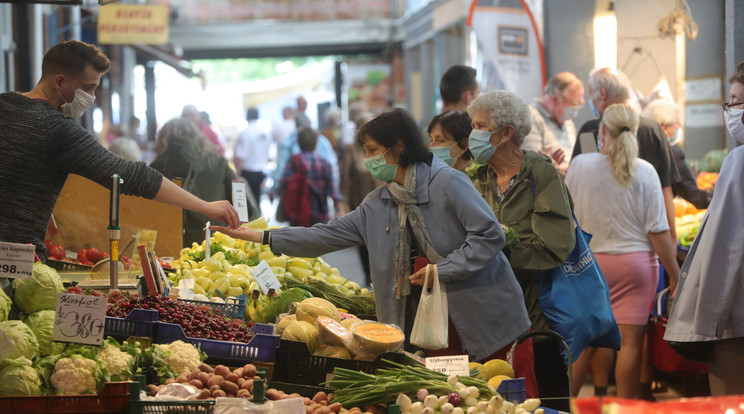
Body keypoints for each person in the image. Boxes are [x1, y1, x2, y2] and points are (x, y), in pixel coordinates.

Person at [213, 108, 537, 395]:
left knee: (499, 396)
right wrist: (258, 235)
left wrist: (444, 269)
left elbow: (489, 235)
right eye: (366, 151)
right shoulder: (379, 202)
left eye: (373, 150)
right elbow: (325, 235)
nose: (368, 159)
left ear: (399, 148)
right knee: (449, 398)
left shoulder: (448, 183)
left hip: (481, 312)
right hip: (428, 322)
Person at [0, 40, 239, 263]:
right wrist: (204, 206)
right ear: (60, 82)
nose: (92, 97)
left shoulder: (4, 103)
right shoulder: (57, 130)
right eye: (88, 88)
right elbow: (131, 176)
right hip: (17, 261)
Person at [467, 90, 575, 411]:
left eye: (480, 125)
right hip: (491, 318)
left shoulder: (539, 173)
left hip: (535, 319)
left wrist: (499, 248)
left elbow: (554, 247)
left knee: (545, 399)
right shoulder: (480, 177)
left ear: (506, 133)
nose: (472, 134)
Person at [565, 104, 680, 399]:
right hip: (636, 267)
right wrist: (676, 275)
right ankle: (627, 408)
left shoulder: (579, 165)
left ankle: (562, 406)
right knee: (630, 343)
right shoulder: (646, 171)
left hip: (590, 265)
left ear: (602, 131)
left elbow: (568, 216)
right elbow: (658, 231)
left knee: (586, 344)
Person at [664, 61, 744, 396]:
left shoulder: (738, 162)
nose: (731, 110)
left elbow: (725, 249)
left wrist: (704, 319)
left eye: (737, 101)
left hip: (736, 317)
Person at [571, 67, 680, 241]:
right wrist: (672, 239)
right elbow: (665, 190)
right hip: (644, 245)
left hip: (598, 243)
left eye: (592, 95)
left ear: (603, 93)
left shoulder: (588, 131)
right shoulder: (653, 130)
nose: (591, 100)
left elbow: (581, 188)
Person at [151, 118, 258, 247]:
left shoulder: (157, 168)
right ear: (197, 137)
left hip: (173, 243)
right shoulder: (218, 162)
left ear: (163, 140)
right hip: (220, 239)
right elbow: (242, 203)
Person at [642, 99, 712, 209]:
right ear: (664, 127)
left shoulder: (637, 150)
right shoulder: (672, 155)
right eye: (677, 124)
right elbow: (695, 197)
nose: (678, 128)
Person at [340, 112, 380, 286]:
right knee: (365, 245)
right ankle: (369, 279)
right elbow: (345, 179)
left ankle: (379, 279)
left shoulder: (384, 148)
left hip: (383, 204)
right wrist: (342, 204)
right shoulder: (352, 150)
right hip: (361, 204)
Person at [271, 128, 344, 216]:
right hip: (320, 212)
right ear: (316, 142)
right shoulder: (324, 163)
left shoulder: (294, 161)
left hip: (298, 211)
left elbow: (283, 182)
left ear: (298, 142)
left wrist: (275, 191)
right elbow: (333, 188)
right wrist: (340, 208)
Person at [523, 72, 585, 173]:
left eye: (579, 104)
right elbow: (531, 167)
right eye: (573, 104)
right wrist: (568, 169)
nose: (574, 110)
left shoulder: (566, 120)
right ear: (555, 99)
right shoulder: (531, 119)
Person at [234, 107, 273, 206]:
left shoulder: (246, 133)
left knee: (247, 204)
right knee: (257, 200)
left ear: (247, 116)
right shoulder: (265, 132)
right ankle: (259, 219)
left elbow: (242, 155)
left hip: (247, 172)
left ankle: (253, 221)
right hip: (260, 171)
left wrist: (237, 173)